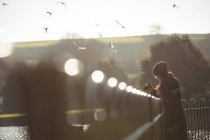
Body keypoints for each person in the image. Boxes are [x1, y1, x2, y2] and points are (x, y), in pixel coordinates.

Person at [144, 61, 188, 140]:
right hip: (170, 118)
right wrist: (153, 91)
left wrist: (154, 92)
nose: (156, 78)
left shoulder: (172, 82)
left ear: (161, 74)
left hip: (175, 119)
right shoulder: (165, 83)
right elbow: (163, 99)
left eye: (157, 76)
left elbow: (169, 100)